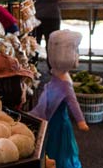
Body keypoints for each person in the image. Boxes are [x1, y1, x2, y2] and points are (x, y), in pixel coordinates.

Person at [30, 29, 89, 168]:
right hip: (61, 120)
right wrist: (81, 122)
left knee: (50, 141)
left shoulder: (57, 75)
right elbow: (73, 103)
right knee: (61, 145)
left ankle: (49, 161)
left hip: (50, 116)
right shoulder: (66, 84)